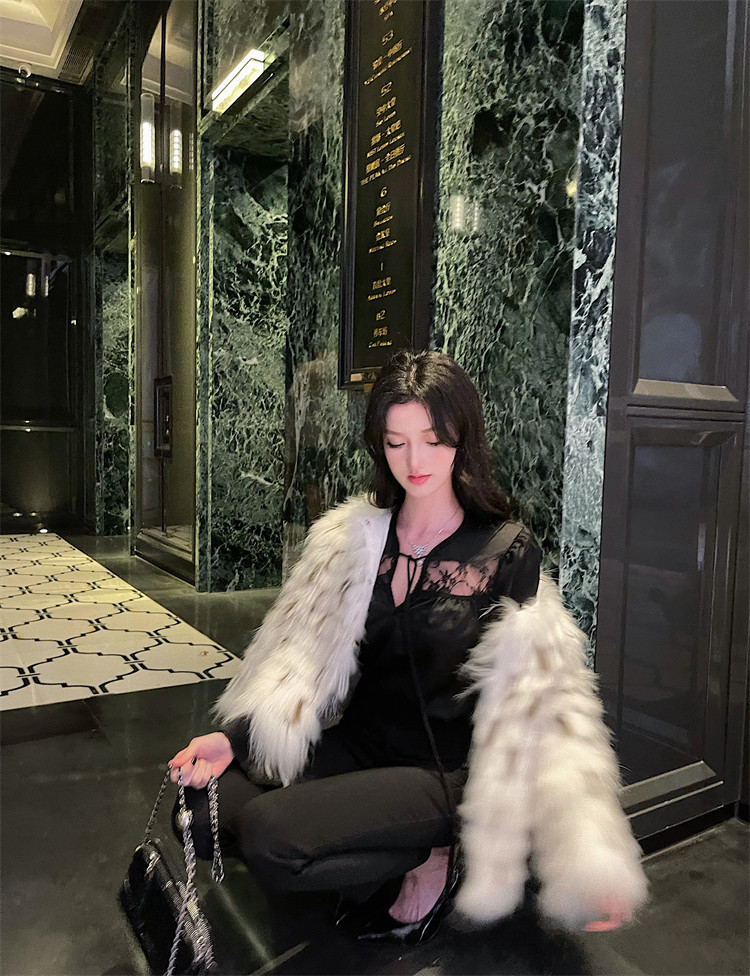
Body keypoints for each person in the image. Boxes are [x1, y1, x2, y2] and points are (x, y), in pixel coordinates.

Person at [168, 350, 647, 942]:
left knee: (270, 834)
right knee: (199, 813)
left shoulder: (505, 549)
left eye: (433, 441)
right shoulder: (354, 537)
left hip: (441, 767)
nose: (415, 462)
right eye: (396, 443)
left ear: (462, 439)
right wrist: (234, 739)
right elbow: (300, 661)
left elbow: (551, 702)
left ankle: (431, 853)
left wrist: (590, 858)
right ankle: (378, 840)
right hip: (362, 742)